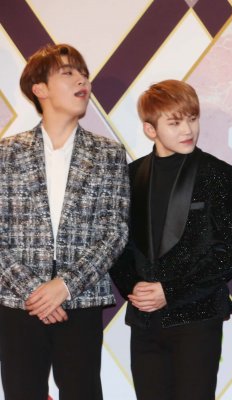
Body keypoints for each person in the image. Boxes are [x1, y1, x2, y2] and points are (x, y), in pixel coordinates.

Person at [0, 44, 129, 399]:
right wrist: (33, 290)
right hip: (18, 301)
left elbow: (115, 232)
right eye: (68, 73)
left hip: (81, 299)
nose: (82, 80)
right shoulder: (6, 153)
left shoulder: (108, 153)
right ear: (39, 89)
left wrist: (65, 286)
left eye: (84, 74)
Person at [110, 79, 232, 400]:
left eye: (192, 119)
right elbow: (117, 243)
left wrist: (170, 291)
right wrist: (134, 287)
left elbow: (231, 252)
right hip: (145, 321)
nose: (188, 130)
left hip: (196, 318)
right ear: (150, 129)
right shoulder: (130, 176)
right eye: (174, 123)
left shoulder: (219, 175)